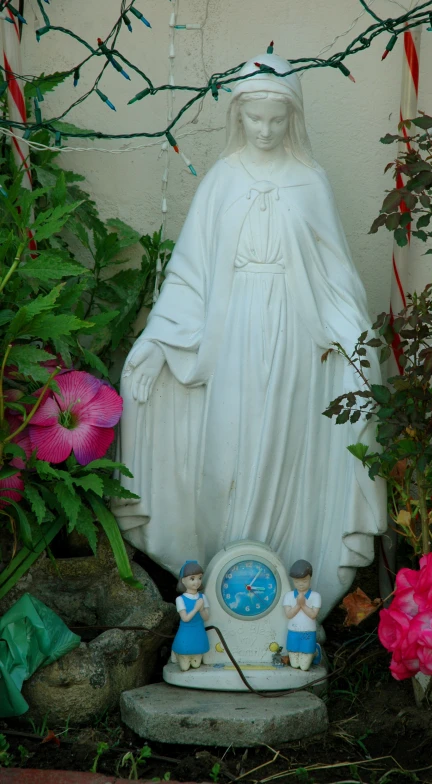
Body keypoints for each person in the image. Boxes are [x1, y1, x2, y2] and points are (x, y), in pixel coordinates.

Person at [114, 51, 386, 619]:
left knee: (282, 447)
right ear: (239, 116)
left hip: (292, 335)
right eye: (255, 119)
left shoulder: (310, 181)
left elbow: (335, 274)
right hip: (231, 334)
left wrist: (354, 340)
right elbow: (190, 275)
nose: (264, 131)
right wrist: (157, 342)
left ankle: (282, 599)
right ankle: (219, 591)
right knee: (226, 454)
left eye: (276, 120)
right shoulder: (222, 181)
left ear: (294, 119)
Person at [283, 560, 321, 671]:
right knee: (294, 664)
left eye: (304, 581)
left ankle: (314, 651)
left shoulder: (315, 596)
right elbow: (289, 615)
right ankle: (311, 651)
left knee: (304, 667)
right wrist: (298, 605)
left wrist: (303, 604)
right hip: (293, 631)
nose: (300, 584)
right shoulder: (289, 596)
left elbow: (313, 615)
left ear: (310, 578)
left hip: (308, 631)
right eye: (296, 581)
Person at [172, 560, 210, 671]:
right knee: (184, 667)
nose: (197, 582)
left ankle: (193, 656)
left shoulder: (202, 597)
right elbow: (185, 618)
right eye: (192, 579)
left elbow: (206, 617)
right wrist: (196, 608)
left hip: (199, 633)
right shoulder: (180, 599)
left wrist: (202, 609)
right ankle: (179, 654)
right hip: (186, 633)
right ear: (183, 580)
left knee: (196, 664)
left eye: (199, 578)